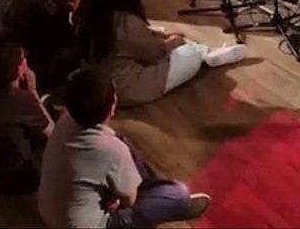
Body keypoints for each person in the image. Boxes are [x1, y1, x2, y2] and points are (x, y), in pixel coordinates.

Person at [38, 65, 211, 228]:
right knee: (179, 194)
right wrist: (119, 200)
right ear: (112, 108)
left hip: (49, 212)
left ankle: (144, 188)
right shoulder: (111, 150)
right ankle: (167, 202)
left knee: (120, 144)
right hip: (93, 224)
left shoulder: (64, 121)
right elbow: (129, 200)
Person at [74, 0, 246, 107]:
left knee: (159, 30)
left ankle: (207, 53)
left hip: (96, 85)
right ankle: (204, 55)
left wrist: (160, 34)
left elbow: (132, 43)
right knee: (189, 52)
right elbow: (155, 54)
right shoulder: (126, 22)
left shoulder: (85, 11)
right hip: (125, 89)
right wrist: (172, 42)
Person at [0, 36, 54, 196]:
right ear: (19, 67)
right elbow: (52, 132)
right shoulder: (19, 99)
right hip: (13, 182)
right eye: (23, 58)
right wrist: (32, 92)